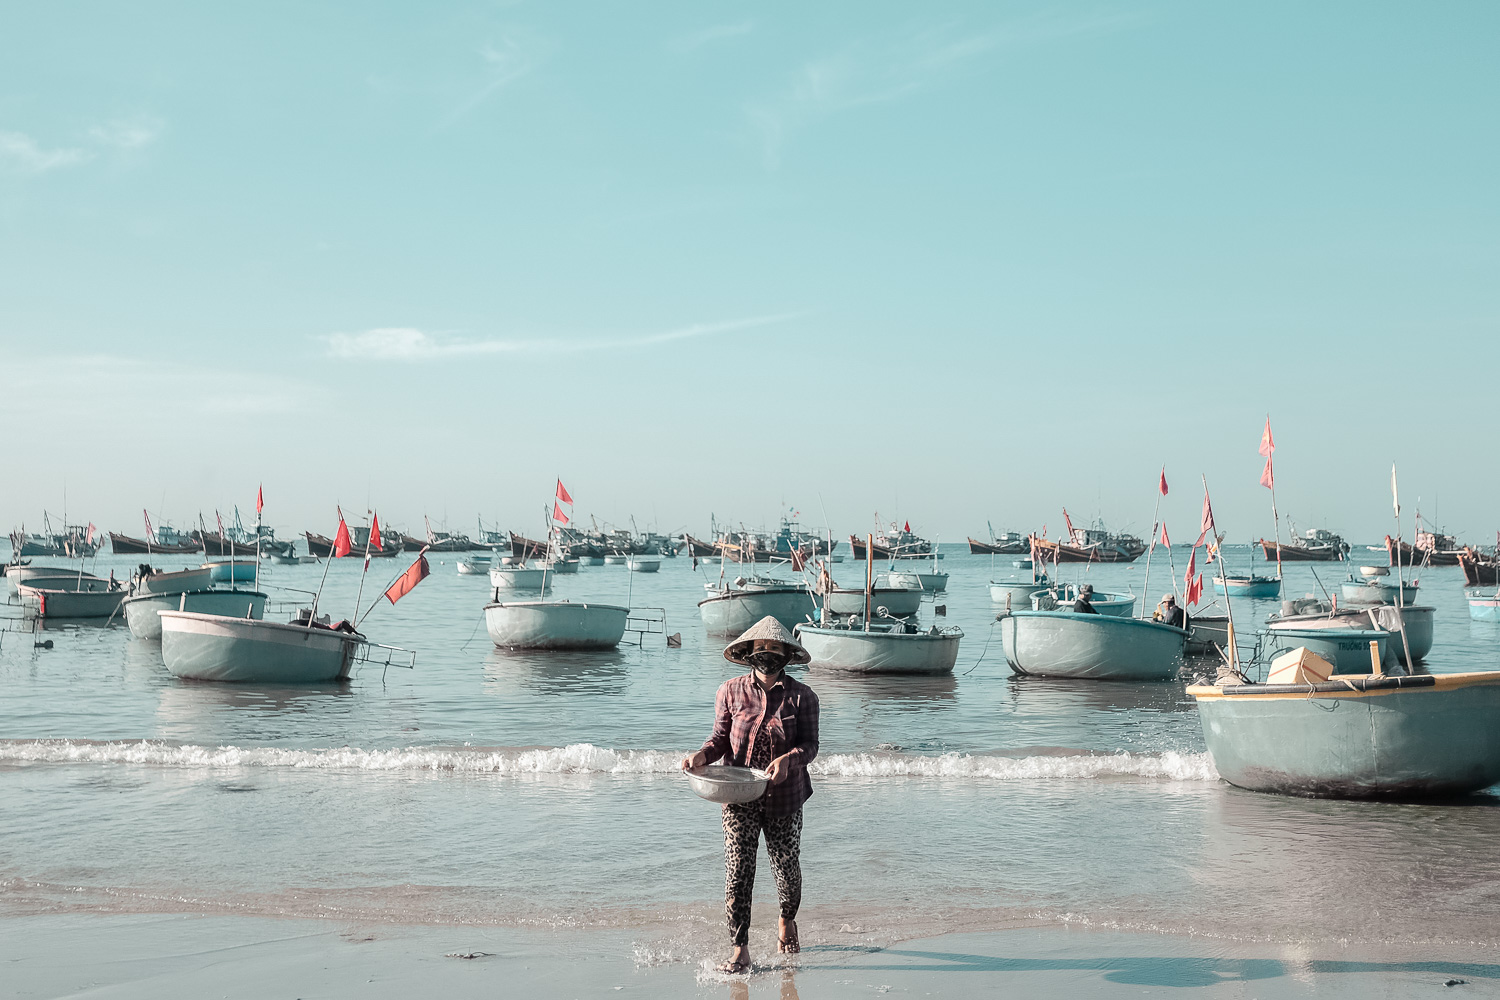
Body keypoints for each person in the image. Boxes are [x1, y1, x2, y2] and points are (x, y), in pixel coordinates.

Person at [680, 616, 820, 974]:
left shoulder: (803, 696)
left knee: (786, 871)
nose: (767, 656)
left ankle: (787, 919)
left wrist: (790, 759)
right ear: (749, 654)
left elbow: (810, 745)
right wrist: (701, 755)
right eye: (761, 650)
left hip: (785, 798)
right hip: (738, 795)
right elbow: (718, 740)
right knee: (738, 870)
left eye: (775, 650)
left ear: (786, 656)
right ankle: (740, 948)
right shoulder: (729, 691)